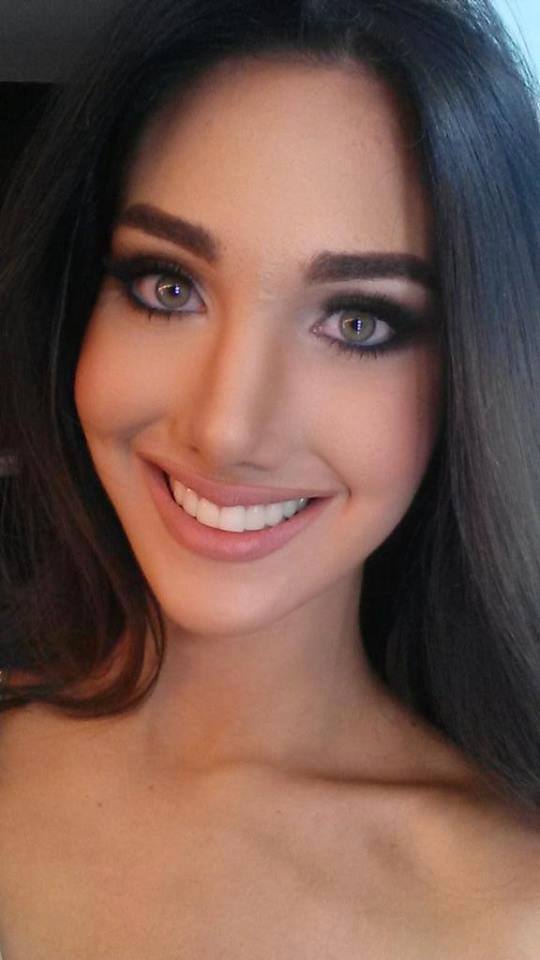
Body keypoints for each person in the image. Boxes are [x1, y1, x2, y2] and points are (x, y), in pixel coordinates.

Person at [0, 0, 539, 955]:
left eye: (359, 321)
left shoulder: (507, 908)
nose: (226, 429)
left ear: (473, 372)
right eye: (168, 286)